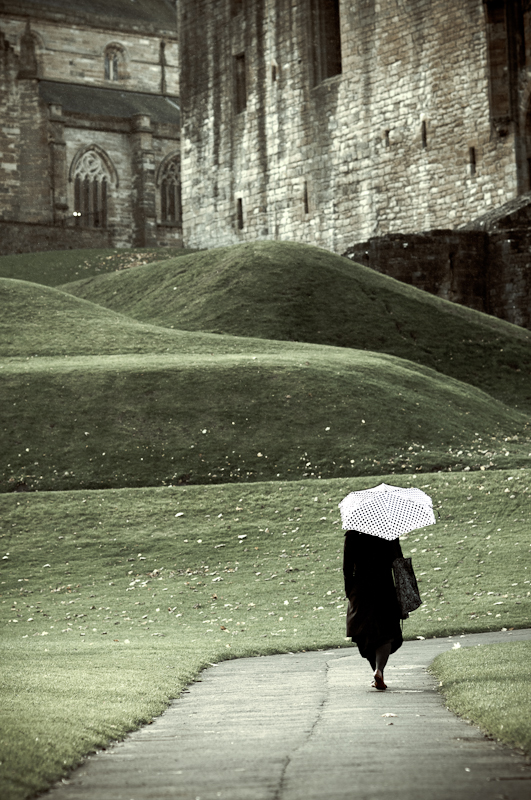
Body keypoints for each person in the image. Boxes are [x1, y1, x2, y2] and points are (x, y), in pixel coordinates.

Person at [343, 530, 403, 690]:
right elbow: (397, 560)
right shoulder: (388, 531)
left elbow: (347, 566)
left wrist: (349, 591)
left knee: (363, 631)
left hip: (360, 587)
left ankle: (377, 673)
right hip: (384, 585)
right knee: (387, 631)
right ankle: (379, 670)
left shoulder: (353, 534)